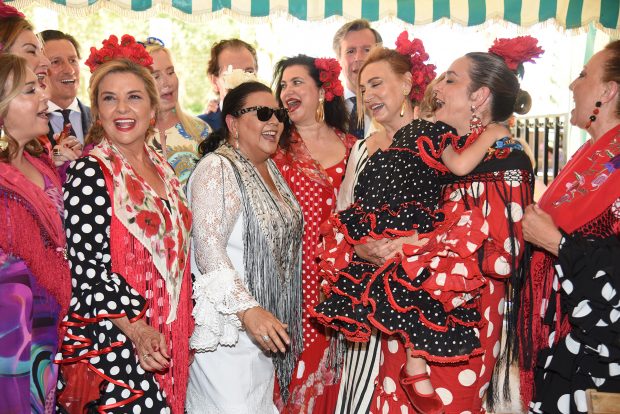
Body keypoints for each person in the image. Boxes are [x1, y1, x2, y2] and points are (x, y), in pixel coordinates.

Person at [314, 35, 538, 413]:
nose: (438, 85)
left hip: (462, 324)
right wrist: (374, 246)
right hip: (408, 309)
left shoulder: (505, 156)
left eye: (451, 79)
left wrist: (416, 247)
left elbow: (503, 259)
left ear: (479, 97)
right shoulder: (444, 148)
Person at [54, 35, 193, 414]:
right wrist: (137, 330)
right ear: (97, 112)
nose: (121, 108)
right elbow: (88, 270)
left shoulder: (163, 166)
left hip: (169, 335)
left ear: (152, 108)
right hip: (118, 339)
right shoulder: (90, 172)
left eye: (133, 96)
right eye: (109, 98)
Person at [186, 81, 303, 413]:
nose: (275, 122)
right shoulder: (217, 168)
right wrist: (248, 310)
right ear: (233, 123)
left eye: (279, 114)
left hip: (262, 334)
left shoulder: (270, 169)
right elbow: (207, 249)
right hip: (227, 334)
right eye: (263, 113)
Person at [520, 40, 620, 414]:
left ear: (608, 91)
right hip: (565, 342)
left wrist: (557, 243)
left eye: (582, 75)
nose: (572, 85)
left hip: (597, 353)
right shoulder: (590, 152)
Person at [271, 54, 355, 413]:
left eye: (297, 82)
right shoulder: (273, 148)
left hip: (345, 278)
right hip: (293, 280)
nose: (287, 90)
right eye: (283, 84)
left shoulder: (356, 148)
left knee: (344, 378)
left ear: (323, 91)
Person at [0, 53, 71, 414]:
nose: (44, 95)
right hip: (10, 345)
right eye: (30, 90)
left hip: (50, 333)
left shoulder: (41, 164)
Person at [0, 2, 80, 169]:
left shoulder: (31, 129)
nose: (45, 62)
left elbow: (43, 157)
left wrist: (57, 155)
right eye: (31, 51)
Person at [142, 38, 210, 186]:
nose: (168, 82)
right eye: (156, 76)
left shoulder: (201, 131)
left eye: (170, 72)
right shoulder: (130, 138)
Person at [40, 29, 92, 146]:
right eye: (56, 62)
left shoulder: (100, 119)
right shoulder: (28, 124)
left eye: (72, 60)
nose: (70, 70)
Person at [333, 19, 382, 139]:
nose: (358, 58)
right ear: (338, 59)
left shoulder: (394, 105)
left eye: (367, 50)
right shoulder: (324, 107)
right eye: (350, 51)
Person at [198, 39, 258, 131]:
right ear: (214, 81)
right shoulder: (199, 129)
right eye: (231, 74)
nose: (241, 81)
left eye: (248, 72)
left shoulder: (272, 121)